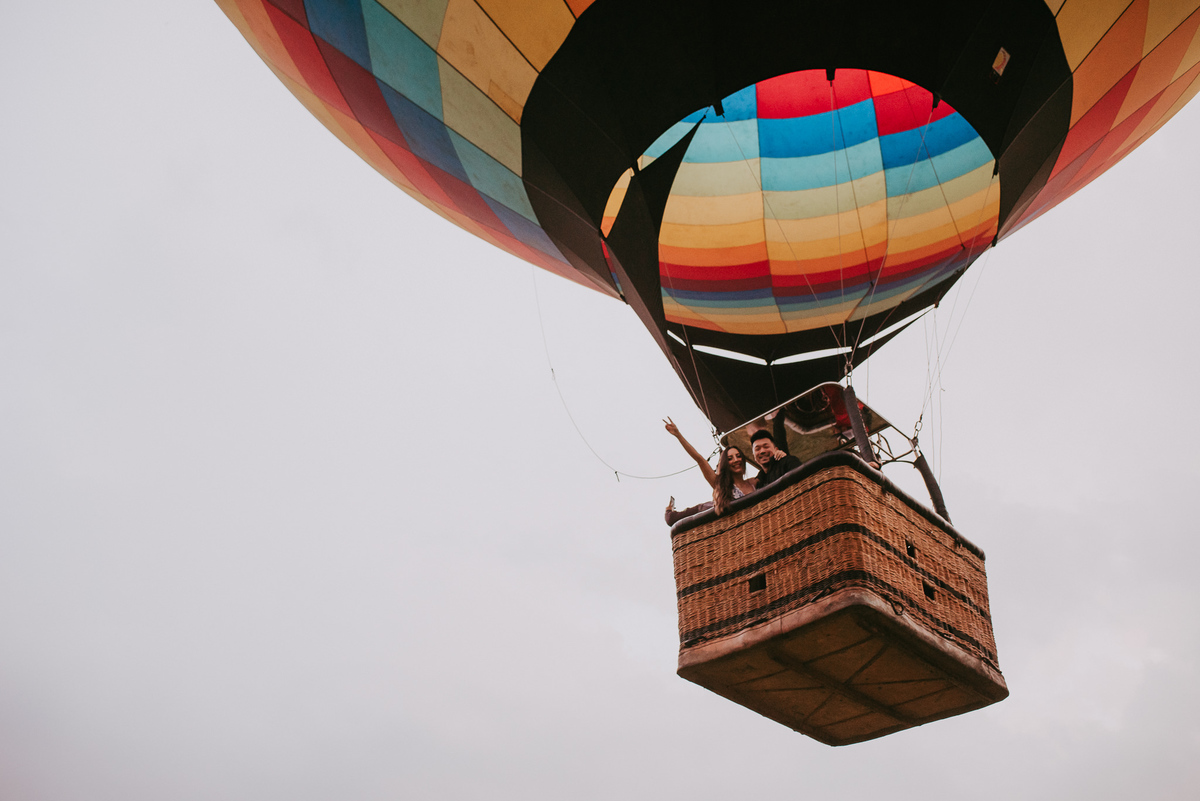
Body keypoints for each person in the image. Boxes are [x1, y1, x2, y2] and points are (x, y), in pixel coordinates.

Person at [663, 418, 757, 524]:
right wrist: (678, 435)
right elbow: (700, 460)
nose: (736, 460)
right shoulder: (721, 485)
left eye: (738, 456)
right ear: (726, 464)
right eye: (730, 458)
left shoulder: (754, 482)